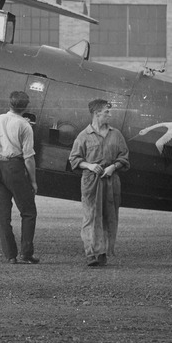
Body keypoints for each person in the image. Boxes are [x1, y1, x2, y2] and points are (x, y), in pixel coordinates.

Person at [68, 98, 130, 268]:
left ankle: (102, 252)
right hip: (91, 181)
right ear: (96, 113)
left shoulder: (116, 134)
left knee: (108, 216)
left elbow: (124, 157)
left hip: (111, 180)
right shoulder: (83, 136)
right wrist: (89, 165)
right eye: (106, 112)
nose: (109, 114)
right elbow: (74, 159)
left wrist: (113, 167)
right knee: (91, 216)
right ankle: (91, 253)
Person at [0, 91, 39, 264]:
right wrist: (33, 181)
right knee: (28, 211)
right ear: (26, 107)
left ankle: (10, 255)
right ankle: (26, 253)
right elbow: (29, 157)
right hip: (13, 166)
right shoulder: (25, 126)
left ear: (9, 103)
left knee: (3, 214)